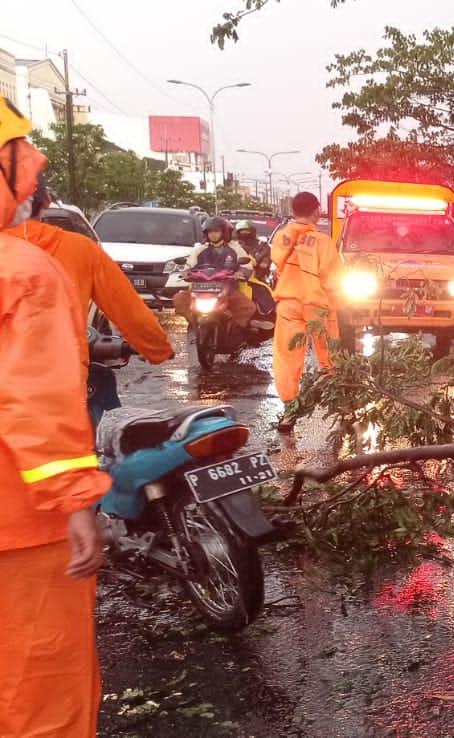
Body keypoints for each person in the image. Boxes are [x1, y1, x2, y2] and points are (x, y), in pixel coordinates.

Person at [0, 95, 108, 738]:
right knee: (39, 692)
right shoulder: (22, 271)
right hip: (20, 525)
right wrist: (77, 502)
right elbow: (34, 399)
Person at [3, 182, 172, 366]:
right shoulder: (80, 249)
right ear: (46, 201)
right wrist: (157, 348)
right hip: (61, 381)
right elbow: (130, 311)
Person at [270, 192, 342, 430]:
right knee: (329, 355)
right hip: (318, 304)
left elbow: (276, 263)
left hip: (288, 303)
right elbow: (333, 279)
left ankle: (289, 410)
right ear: (315, 211)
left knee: (287, 357)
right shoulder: (322, 241)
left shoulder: (281, 237)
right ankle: (341, 407)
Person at [173, 216, 256, 331]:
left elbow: (246, 265)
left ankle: (237, 332)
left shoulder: (235, 248)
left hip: (227, 290)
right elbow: (189, 264)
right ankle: (193, 325)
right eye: (210, 232)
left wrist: (241, 273)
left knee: (248, 307)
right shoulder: (200, 249)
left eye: (216, 231)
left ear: (225, 233)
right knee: (179, 299)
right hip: (200, 290)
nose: (213, 235)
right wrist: (186, 273)